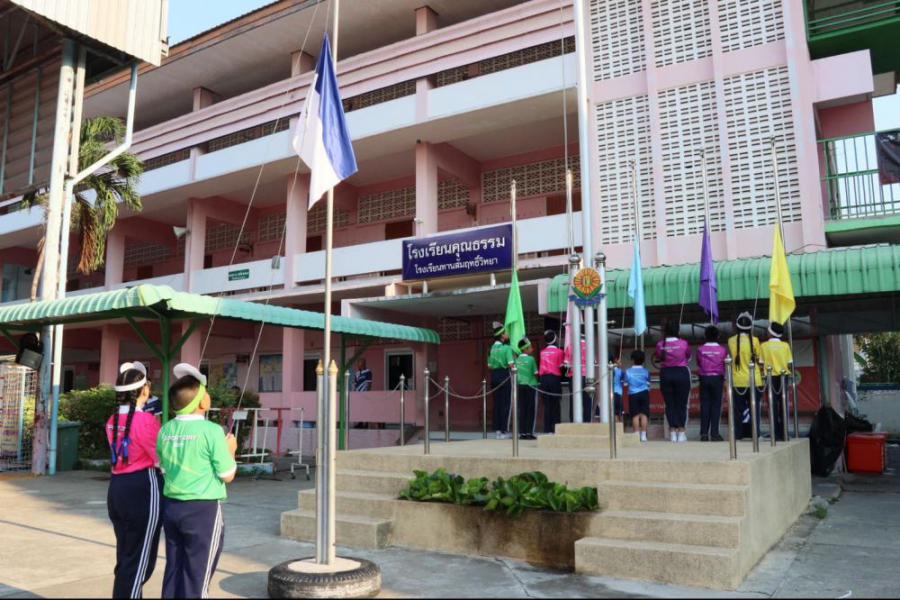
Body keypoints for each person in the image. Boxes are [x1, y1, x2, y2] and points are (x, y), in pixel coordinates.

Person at [157, 363, 238, 599]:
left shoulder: (165, 430)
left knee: (175, 567)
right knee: (197, 576)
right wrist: (231, 449)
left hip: (171, 507)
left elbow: (163, 468)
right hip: (203, 510)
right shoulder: (212, 431)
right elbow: (227, 475)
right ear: (202, 402)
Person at [106, 361, 163, 599]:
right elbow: (161, 459)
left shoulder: (112, 420)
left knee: (126, 556)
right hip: (143, 488)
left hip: (117, 488)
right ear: (144, 390)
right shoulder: (147, 421)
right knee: (140, 562)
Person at [653, 320, 692, 443]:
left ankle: (672, 432)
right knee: (682, 404)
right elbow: (689, 357)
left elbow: (659, 357)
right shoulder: (684, 343)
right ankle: (681, 432)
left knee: (669, 404)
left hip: (666, 374)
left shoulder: (660, 344)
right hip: (681, 373)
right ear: (678, 330)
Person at [728, 311, 763, 440]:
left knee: (738, 410)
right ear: (749, 327)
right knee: (755, 408)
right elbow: (760, 360)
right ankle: (755, 434)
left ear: (737, 326)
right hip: (755, 380)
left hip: (738, 381)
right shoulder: (755, 340)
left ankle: (738, 435)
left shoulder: (731, 341)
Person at [761, 321, 793, 441]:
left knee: (772, 405)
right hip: (783, 376)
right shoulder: (785, 345)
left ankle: (775, 433)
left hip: (770, 377)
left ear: (771, 332)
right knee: (783, 404)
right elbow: (789, 363)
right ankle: (784, 433)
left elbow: (761, 362)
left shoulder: (764, 346)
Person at [697, 325, 728, 442]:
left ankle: (704, 434)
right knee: (716, 406)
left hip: (704, 378)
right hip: (717, 379)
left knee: (705, 405)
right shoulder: (723, 350)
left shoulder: (700, 349)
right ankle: (715, 434)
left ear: (705, 336)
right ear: (718, 336)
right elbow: (725, 364)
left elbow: (699, 362)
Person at [487, 322, 516, 440]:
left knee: (497, 403)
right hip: (504, 376)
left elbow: (489, 365)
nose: (507, 335)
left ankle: (498, 431)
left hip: (494, 376)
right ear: (502, 336)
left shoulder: (491, 348)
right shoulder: (507, 348)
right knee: (505, 404)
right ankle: (504, 430)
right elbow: (511, 364)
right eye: (506, 333)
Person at [538, 329, 565, 434]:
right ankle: (556, 429)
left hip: (544, 380)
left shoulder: (542, 352)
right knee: (556, 405)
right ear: (555, 339)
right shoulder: (560, 352)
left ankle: (547, 429)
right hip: (554, 379)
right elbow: (562, 366)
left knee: (547, 405)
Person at [564, 334, 592, 422]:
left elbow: (566, 364)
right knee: (587, 401)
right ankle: (587, 422)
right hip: (588, 377)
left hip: (574, 377)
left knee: (574, 400)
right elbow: (594, 362)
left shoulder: (570, 346)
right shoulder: (590, 346)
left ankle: (573, 421)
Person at [515, 337, 538, 440]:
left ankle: (522, 433)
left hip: (520, 386)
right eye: (530, 347)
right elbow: (536, 373)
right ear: (525, 349)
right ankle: (529, 432)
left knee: (522, 409)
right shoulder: (531, 359)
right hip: (531, 385)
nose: (532, 349)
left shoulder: (516, 360)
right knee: (530, 409)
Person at [625, 350, 651, 442]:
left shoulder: (628, 371)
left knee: (635, 415)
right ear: (643, 360)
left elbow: (625, 383)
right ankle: (644, 436)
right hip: (644, 393)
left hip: (633, 394)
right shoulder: (646, 371)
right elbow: (648, 383)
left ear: (632, 359)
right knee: (644, 414)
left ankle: (636, 435)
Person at [611, 353, 624, 423]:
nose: (621, 363)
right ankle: (619, 425)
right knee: (619, 412)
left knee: (616, 412)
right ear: (615, 360)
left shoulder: (611, 370)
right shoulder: (619, 371)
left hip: (614, 393)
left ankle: (618, 424)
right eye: (620, 361)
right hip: (617, 393)